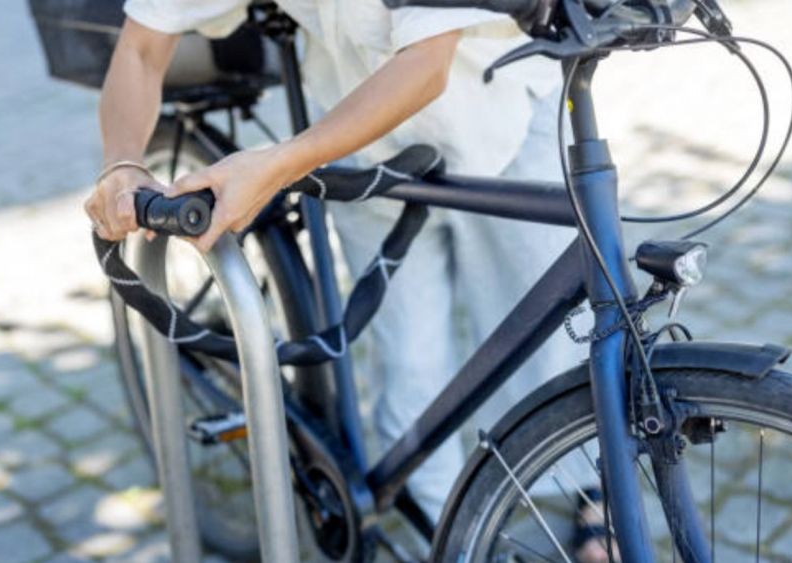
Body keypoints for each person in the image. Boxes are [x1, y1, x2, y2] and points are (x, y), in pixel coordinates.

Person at [84, 1, 609, 560]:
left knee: (548, 342)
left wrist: (282, 163)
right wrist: (121, 164)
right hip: (357, 142)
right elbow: (141, 47)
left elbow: (427, 62)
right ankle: (447, 541)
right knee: (408, 365)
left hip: (503, 114)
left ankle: (591, 496)